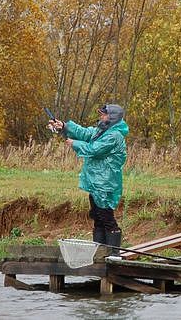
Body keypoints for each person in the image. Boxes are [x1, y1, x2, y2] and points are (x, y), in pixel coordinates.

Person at [48, 104, 129, 254]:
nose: (101, 116)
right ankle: (99, 254)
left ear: (112, 117)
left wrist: (74, 143)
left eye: (104, 114)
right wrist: (64, 126)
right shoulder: (102, 131)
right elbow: (85, 132)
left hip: (105, 183)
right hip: (95, 182)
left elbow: (94, 150)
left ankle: (114, 254)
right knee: (97, 217)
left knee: (106, 217)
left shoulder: (114, 135)